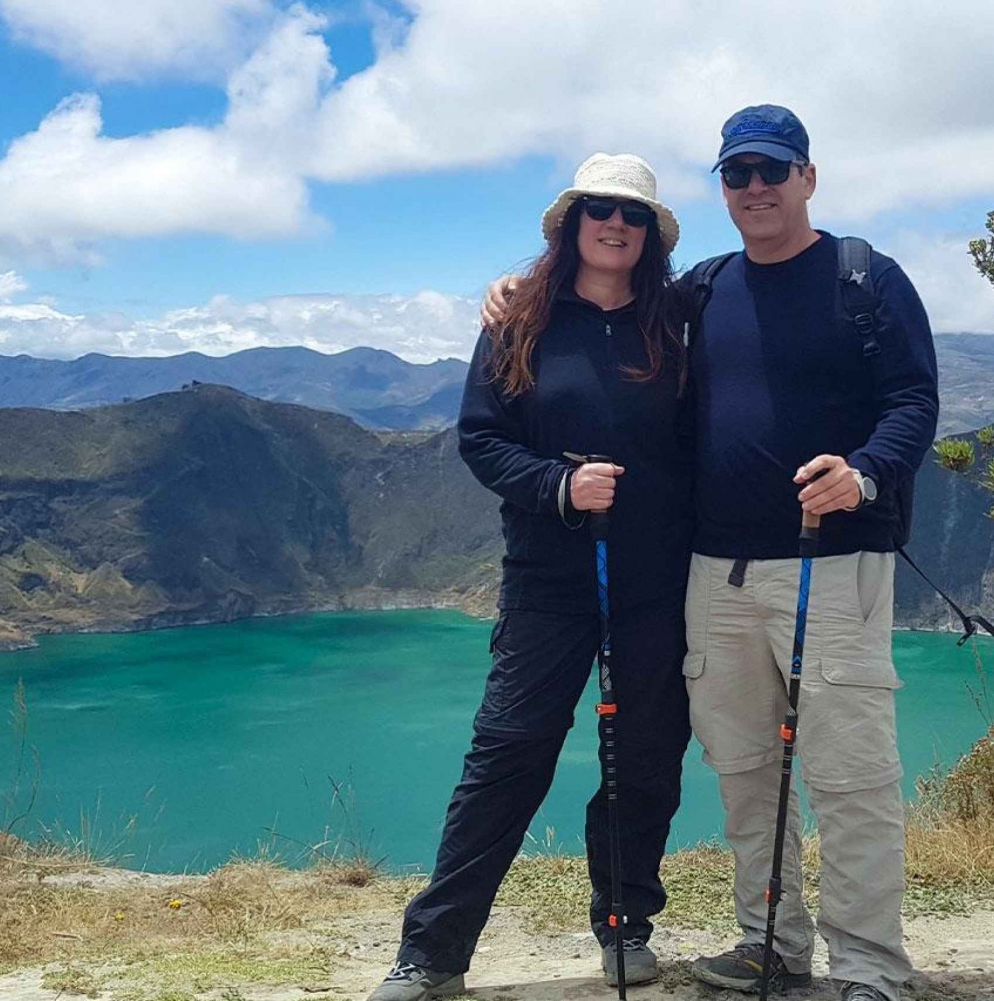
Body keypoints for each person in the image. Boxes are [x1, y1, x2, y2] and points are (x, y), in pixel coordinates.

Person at [484, 104, 940, 1001]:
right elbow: (600, 301)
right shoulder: (701, 288)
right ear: (722, 188)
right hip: (712, 574)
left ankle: (869, 966)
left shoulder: (866, 279)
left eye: (773, 170)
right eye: (738, 174)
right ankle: (770, 940)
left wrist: (866, 475)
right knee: (744, 769)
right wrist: (515, 290)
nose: (757, 187)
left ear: (808, 176)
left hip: (833, 562)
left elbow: (913, 400)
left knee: (848, 774)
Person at [367, 152, 694, 1001]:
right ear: (572, 224)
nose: (614, 224)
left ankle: (625, 926)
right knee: (510, 750)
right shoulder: (521, 321)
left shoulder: (678, 322)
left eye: (631, 215)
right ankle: (433, 952)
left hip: (655, 578)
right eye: (599, 209)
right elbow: (481, 437)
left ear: (649, 236)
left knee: (645, 754)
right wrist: (558, 485)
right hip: (549, 577)